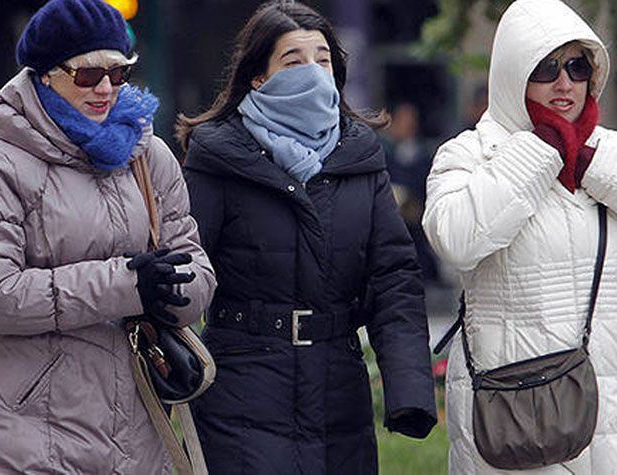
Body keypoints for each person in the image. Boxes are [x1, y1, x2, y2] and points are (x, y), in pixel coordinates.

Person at [422, 0, 617, 473]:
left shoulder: (611, 150)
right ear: (513, 74)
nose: (564, 83)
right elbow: (456, 239)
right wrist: (542, 151)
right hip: (520, 405)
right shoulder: (471, 154)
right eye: (546, 68)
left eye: (577, 67)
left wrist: (599, 167)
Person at [176, 1, 437, 473]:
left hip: (339, 398)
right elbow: (186, 268)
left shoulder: (360, 154)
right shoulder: (217, 156)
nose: (313, 72)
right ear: (258, 77)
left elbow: (393, 277)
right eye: (293, 61)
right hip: (242, 395)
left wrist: (409, 390)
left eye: (322, 59)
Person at [0, 0, 216, 473]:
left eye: (119, 73)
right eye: (87, 75)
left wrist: (171, 289)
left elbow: (196, 268)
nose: (105, 88)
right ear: (45, 75)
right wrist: (127, 284)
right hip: (25, 424)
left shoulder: (150, 155)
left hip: (137, 418)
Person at [380, 102, 438, 283]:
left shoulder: (423, 156)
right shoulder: (379, 152)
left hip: (415, 229)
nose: (408, 124)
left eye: (412, 120)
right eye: (404, 120)